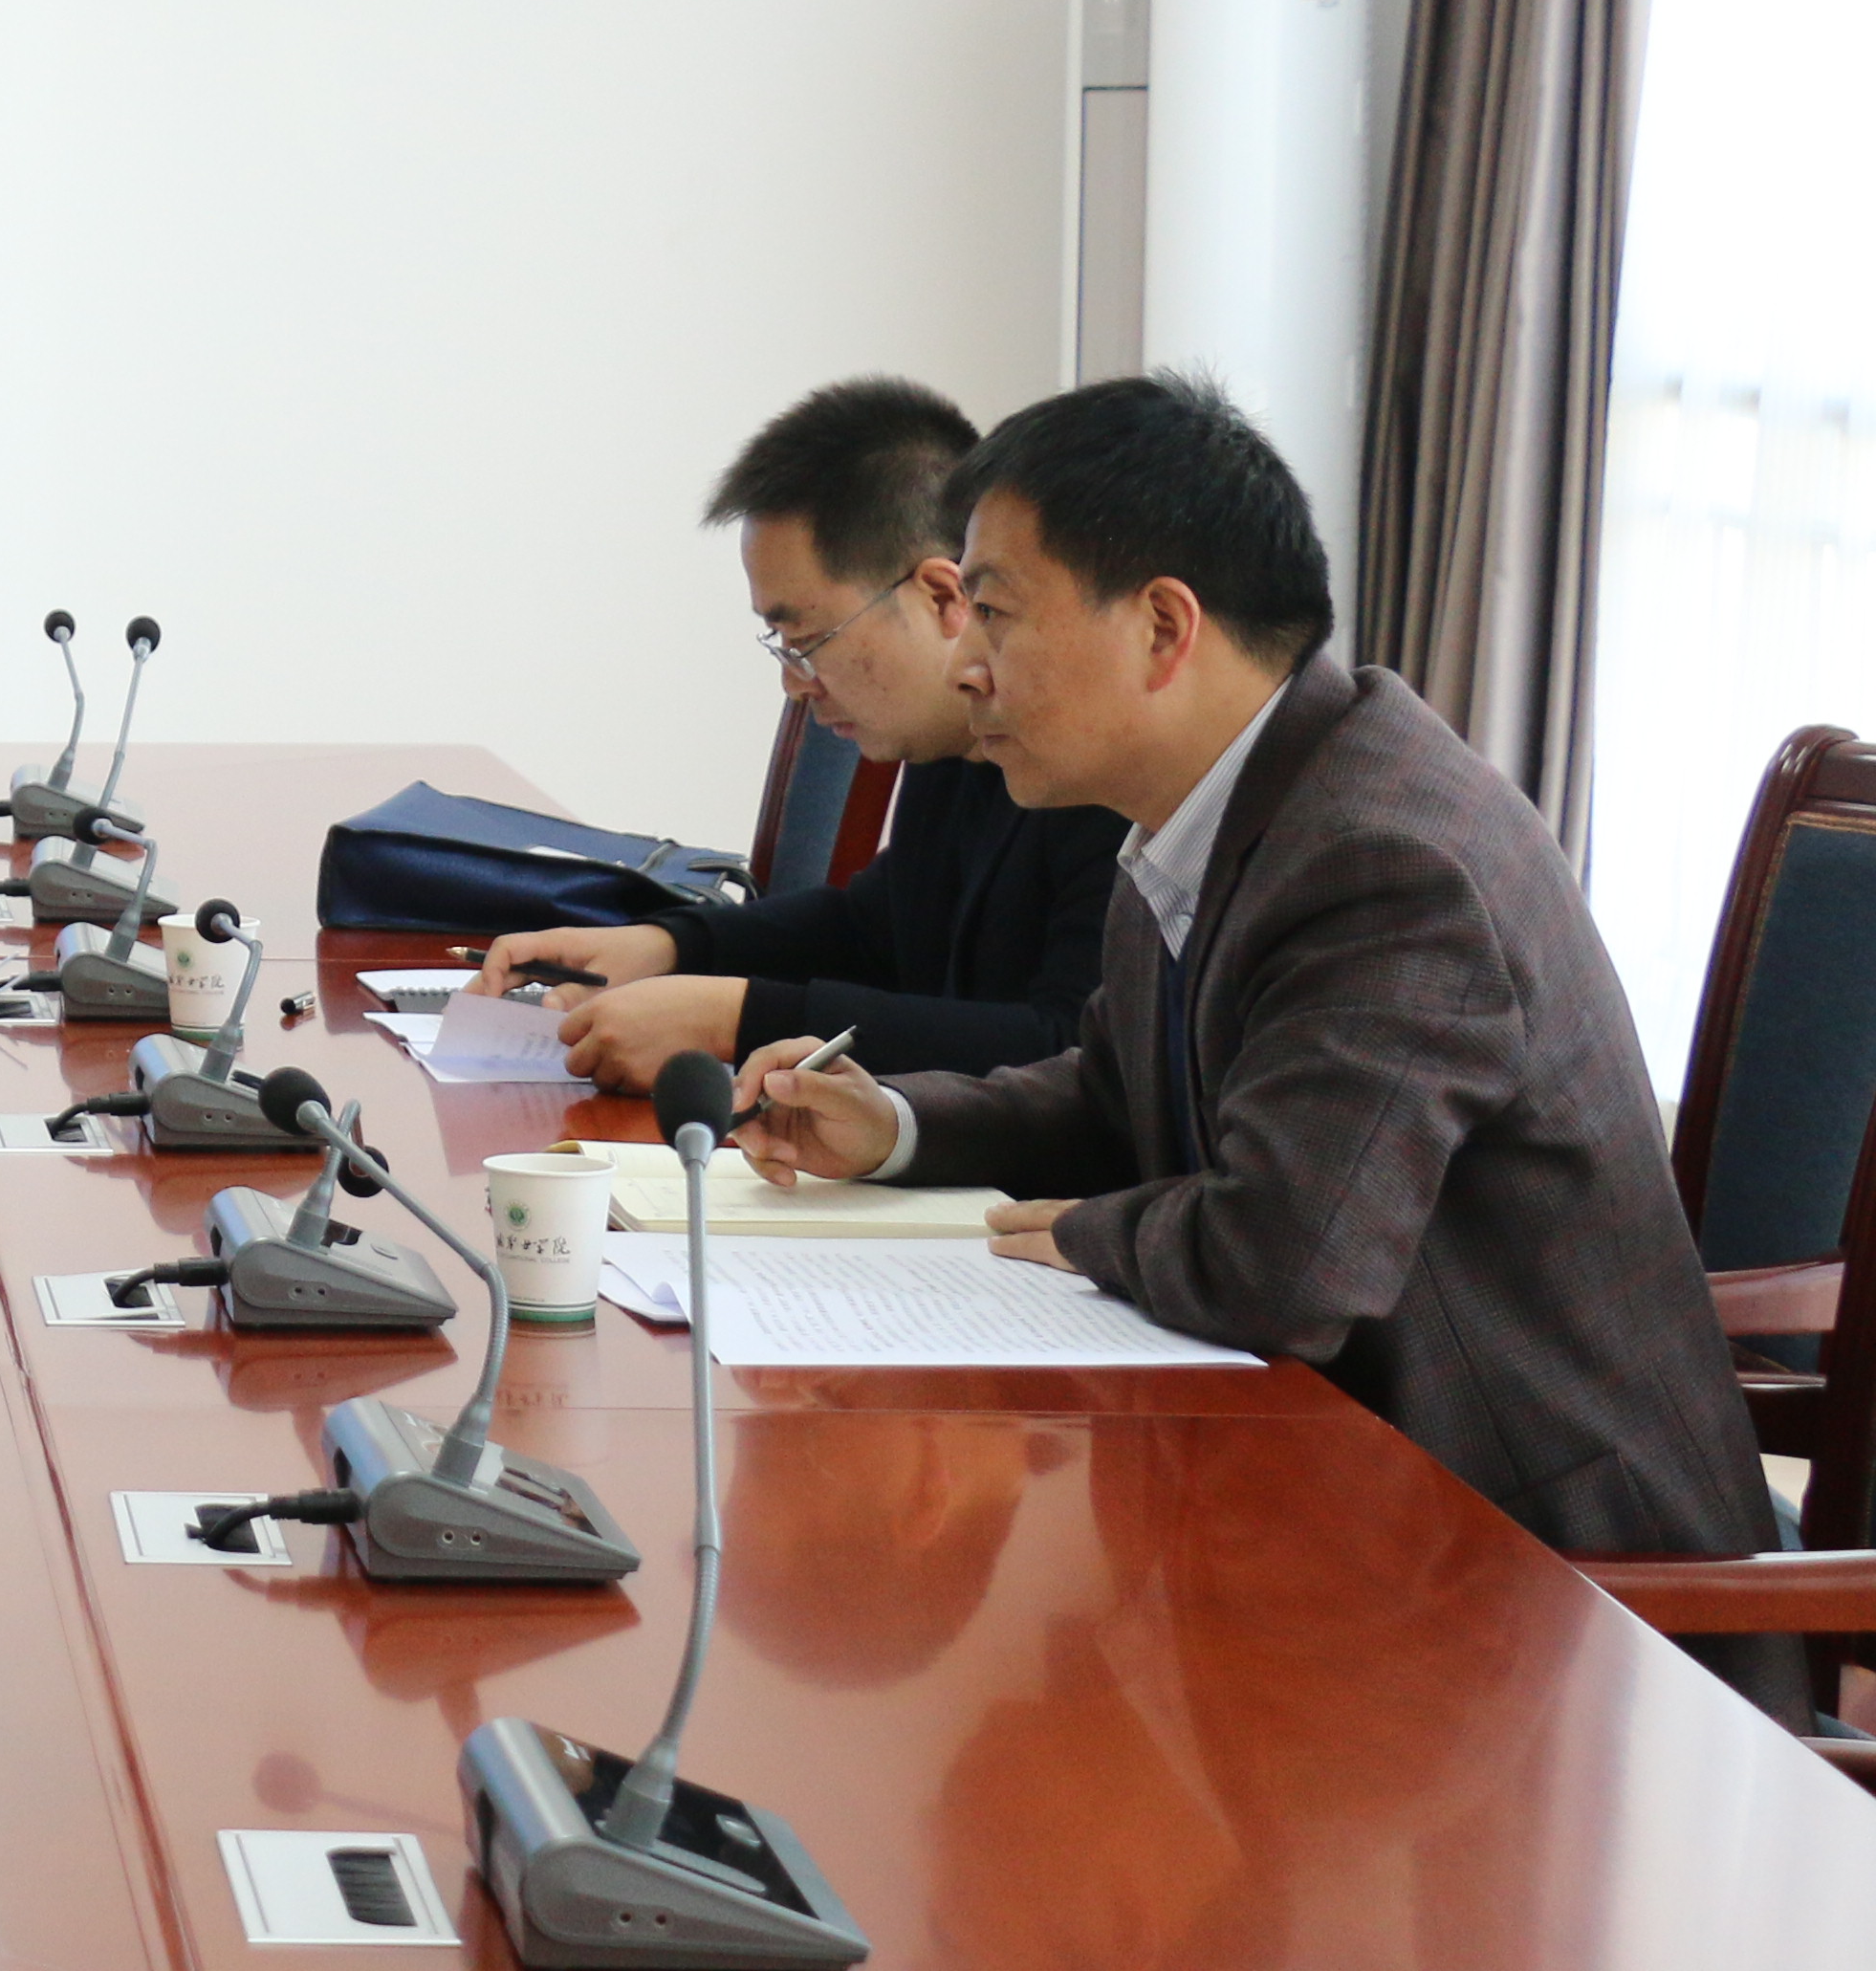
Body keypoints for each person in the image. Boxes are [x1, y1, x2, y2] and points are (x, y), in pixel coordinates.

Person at [730, 373, 1770, 1566]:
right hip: (1349, 1493)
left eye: (997, 615)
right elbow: (1114, 1095)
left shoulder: (1387, 861)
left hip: (1553, 1571)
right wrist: (898, 1127)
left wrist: (1088, 1234)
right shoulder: (1218, 807)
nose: (966, 665)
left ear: (1163, 629)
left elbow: (1286, 1265)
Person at [478, 379, 1123, 1088]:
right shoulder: (950, 744)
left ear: (943, 596)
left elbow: (1067, 1051)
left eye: (808, 640)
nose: (795, 682)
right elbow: (875, 929)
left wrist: (734, 1018)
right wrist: (667, 945)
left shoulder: (1099, 771)